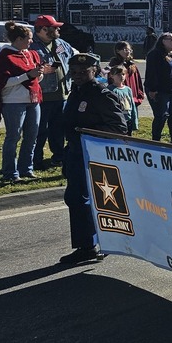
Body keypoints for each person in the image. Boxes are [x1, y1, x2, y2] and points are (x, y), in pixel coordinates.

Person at [60, 52, 129, 264]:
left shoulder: (101, 94)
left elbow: (119, 127)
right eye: (74, 72)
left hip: (93, 155)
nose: (78, 75)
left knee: (85, 199)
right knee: (75, 198)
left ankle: (90, 245)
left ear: (95, 71)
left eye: (83, 71)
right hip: (75, 152)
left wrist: (87, 132)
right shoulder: (77, 92)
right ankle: (90, 243)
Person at [0, 22, 49, 182]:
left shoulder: (30, 55)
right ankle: (10, 173)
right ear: (18, 39)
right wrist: (27, 75)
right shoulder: (5, 56)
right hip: (13, 102)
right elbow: (2, 82)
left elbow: (35, 78)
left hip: (33, 99)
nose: (31, 42)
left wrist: (39, 74)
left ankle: (26, 169)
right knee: (13, 137)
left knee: (32, 136)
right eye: (29, 38)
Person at [30, 14, 75, 170]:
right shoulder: (31, 46)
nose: (58, 29)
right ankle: (36, 160)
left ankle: (58, 157)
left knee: (58, 130)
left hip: (62, 95)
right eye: (54, 27)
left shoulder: (61, 43)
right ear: (43, 29)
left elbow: (73, 58)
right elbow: (26, 70)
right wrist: (41, 71)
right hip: (42, 97)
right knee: (40, 130)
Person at [145, 32, 172, 144]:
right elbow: (152, 73)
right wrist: (153, 90)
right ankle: (156, 140)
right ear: (163, 41)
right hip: (159, 90)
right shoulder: (155, 54)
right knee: (161, 115)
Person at [107, 41, 145, 127]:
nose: (128, 52)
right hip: (120, 98)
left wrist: (139, 96)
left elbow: (138, 81)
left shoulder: (132, 65)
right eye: (125, 50)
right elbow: (110, 81)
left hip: (131, 97)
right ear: (118, 51)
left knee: (131, 120)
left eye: (129, 50)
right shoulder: (114, 64)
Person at [107, 65, 139, 135]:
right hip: (117, 121)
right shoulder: (110, 90)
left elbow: (132, 106)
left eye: (123, 74)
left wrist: (134, 121)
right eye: (118, 74)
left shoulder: (128, 90)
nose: (121, 76)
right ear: (112, 76)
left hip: (128, 120)